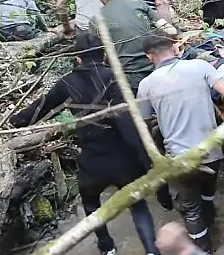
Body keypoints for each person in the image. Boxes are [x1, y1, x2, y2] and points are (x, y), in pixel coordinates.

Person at [9, 31, 160, 255]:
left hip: (92, 161)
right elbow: (129, 125)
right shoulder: (115, 78)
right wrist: (147, 161)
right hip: (123, 158)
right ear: (104, 55)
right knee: (137, 205)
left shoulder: (66, 83)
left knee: (91, 205)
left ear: (77, 58)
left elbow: (40, 107)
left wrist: (15, 121)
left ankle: (106, 246)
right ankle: (151, 250)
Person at [137, 34, 224, 253]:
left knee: (191, 210)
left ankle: (204, 249)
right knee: (208, 191)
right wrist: (218, 105)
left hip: (181, 160)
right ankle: (210, 215)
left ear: (149, 57)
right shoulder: (200, 66)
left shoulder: (145, 85)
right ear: (174, 48)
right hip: (211, 151)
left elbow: (143, 126)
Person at [90, 0, 166, 92]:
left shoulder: (96, 19)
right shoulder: (140, 5)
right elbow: (167, 29)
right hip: (156, 69)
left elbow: (96, 57)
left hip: (127, 79)